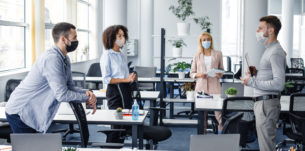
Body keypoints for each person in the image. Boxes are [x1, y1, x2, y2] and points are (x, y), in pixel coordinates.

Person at [5, 22, 97, 133]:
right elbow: (62, 95)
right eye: (74, 37)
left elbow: (69, 86)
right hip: (21, 111)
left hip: (31, 110)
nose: (77, 41)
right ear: (63, 39)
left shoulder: (64, 58)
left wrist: (86, 92)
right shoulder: (52, 59)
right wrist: (86, 98)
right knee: (29, 147)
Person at [240, 15, 286, 151]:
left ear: (270, 30)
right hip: (264, 103)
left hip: (267, 104)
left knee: (266, 146)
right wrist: (257, 72)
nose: (257, 31)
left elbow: (279, 84)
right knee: (265, 144)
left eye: (260, 28)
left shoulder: (275, 52)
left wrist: (252, 82)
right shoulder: (270, 50)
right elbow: (271, 75)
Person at [100, 25, 136, 143]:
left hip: (125, 90)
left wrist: (131, 77)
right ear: (111, 38)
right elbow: (106, 79)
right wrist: (125, 80)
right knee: (116, 125)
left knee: (124, 125)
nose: (122, 38)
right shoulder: (107, 55)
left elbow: (124, 75)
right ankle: (110, 148)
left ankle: (118, 147)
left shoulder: (121, 54)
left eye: (123, 36)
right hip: (114, 92)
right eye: (119, 36)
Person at [190, 32, 224, 134]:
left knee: (219, 114)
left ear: (211, 41)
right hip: (201, 88)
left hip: (215, 86)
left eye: (208, 39)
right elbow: (191, 73)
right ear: (200, 42)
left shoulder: (218, 53)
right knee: (202, 116)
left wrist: (218, 74)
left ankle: (222, 135)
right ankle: (202, 137)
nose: (206, 42)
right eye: (204, 40)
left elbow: (222, 70)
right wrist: (199, 75)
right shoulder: (197, 55)